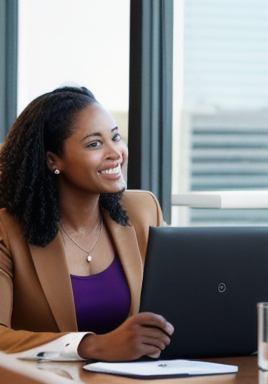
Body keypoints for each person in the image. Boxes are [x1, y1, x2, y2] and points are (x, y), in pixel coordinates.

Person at [0, 86, 173, 361]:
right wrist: (90, 346)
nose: (115, 152)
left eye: (116, 137)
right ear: (52, 160)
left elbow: (181, 300)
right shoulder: (7, 230)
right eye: (95, 143)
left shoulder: (143, 211)